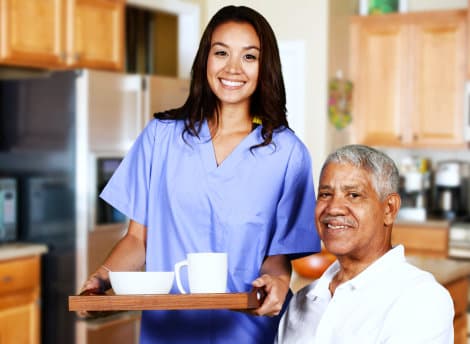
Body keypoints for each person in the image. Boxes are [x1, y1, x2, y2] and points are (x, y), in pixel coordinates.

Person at [79, 5, 320, 344]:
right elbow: (138, 240)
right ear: (205, 59)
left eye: (249, 57)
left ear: (264, 67)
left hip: (248, 332)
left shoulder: (287, 153)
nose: (232, 68)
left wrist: (279, 283)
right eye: (221, 52)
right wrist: (102, 279)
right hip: (169, 331)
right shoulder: (160, 137)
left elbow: (277, 256)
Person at [276, 144, 454, 344]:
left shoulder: (420, 299)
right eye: (325, 194)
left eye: (353, 195)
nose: (333, 208)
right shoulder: (300, 303)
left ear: (389, 209)